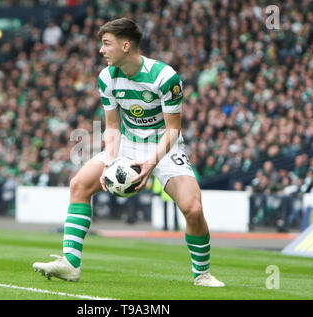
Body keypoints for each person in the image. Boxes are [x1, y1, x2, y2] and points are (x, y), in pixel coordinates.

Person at [33, 18, 225, 287]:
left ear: (125, 46)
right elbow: (112, 127)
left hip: (164, 145)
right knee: (79, 184)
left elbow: (172, 131)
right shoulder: (106, 77)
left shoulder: (164, 77)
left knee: (192, 209)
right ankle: (70, 264)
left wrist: (150, 163)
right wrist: (111, 163)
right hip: (128, 142)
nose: (101, 50)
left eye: (106, 44)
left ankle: (202, 274)